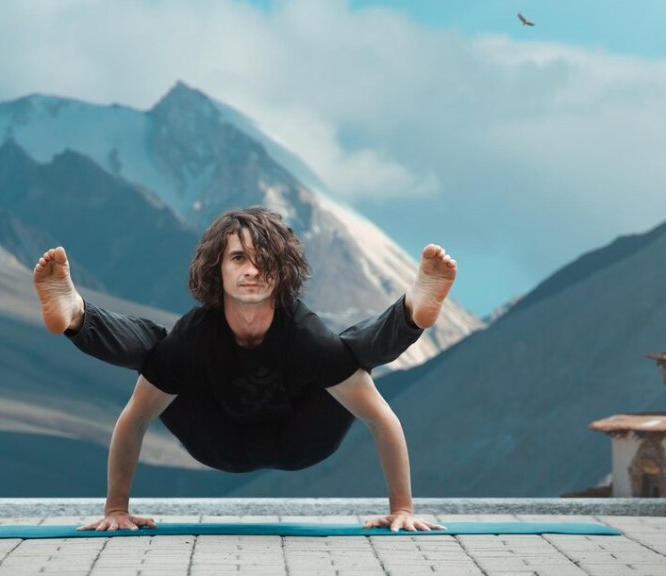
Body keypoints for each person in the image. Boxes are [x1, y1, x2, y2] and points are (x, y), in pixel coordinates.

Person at [33, 207, 457, 532]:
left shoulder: (305, 334)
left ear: (282, 270)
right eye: (238, 258)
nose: (252, 270)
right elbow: (135, 419)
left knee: (348, 353)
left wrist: (402, 509)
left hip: (301, 440)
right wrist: (116, 511)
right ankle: (76, 316)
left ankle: (413, 313)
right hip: (220, 441)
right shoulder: (195, 334)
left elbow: (381, 420)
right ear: (217, 270)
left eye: (263, 259)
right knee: (156, 351)